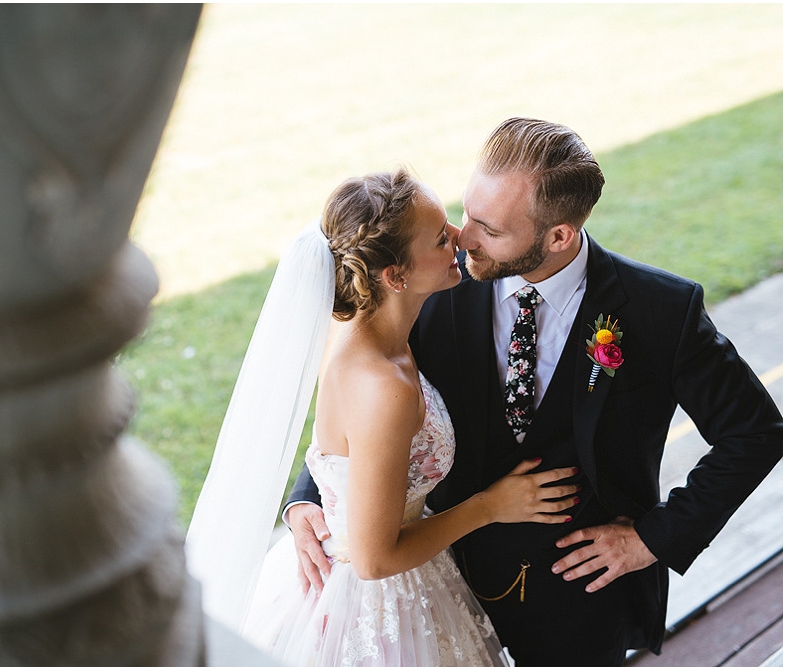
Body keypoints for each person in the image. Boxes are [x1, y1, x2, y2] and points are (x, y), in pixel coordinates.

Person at [286, 118, 783, 666]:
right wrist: (309, 496)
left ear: (559, 236)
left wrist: (650, 539)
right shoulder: (431, 283)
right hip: (436, 590)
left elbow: (756, 433)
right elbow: (362, 390)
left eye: (490, 229)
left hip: (579, 607)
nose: (462, 239)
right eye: (467, 213)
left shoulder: (661, 311)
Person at [186, 167, 581, 666]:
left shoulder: (360, 325)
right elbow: (375, 560)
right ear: (395, 275)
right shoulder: (382, 387)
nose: (460, 237)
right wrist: (490, 506)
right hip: (376, 609)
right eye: (441, 238)